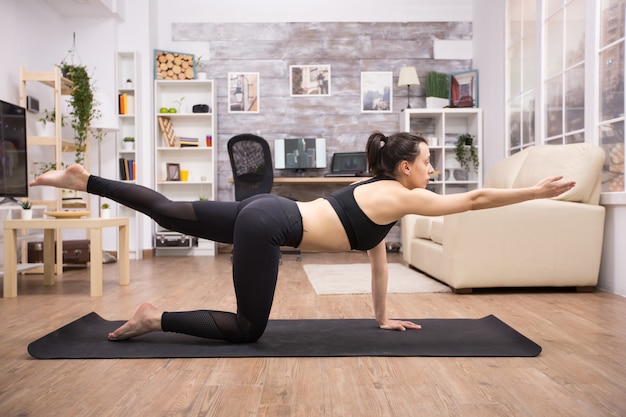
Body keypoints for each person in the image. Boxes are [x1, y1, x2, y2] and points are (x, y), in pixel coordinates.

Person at [29, 131, 576, 343]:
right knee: (247, 329)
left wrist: (382, 317)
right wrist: (533, 192)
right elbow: (476, 200)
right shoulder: (400, 195)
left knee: (170, 213)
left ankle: (86, 180)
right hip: (270, 225)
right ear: (405, 169)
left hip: (268, 209)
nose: (432, 172)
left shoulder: (381, 196)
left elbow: (378, 262)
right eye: (428, 164)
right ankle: (156, 317)